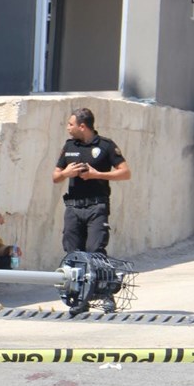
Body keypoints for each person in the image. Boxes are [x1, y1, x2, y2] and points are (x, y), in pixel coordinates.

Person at [51, 107, 130, 314]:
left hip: (97, 206)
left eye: (71, 124)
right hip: (73, 207)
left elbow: (125, 173)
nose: (68, 128)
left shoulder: (105, 145)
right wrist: (67, 172)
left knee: (96, 253)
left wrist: (97, 175)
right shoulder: (69, 146)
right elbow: (55, 176)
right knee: (73, 254)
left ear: (82, 126)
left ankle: (106, 296)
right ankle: (79, 299)